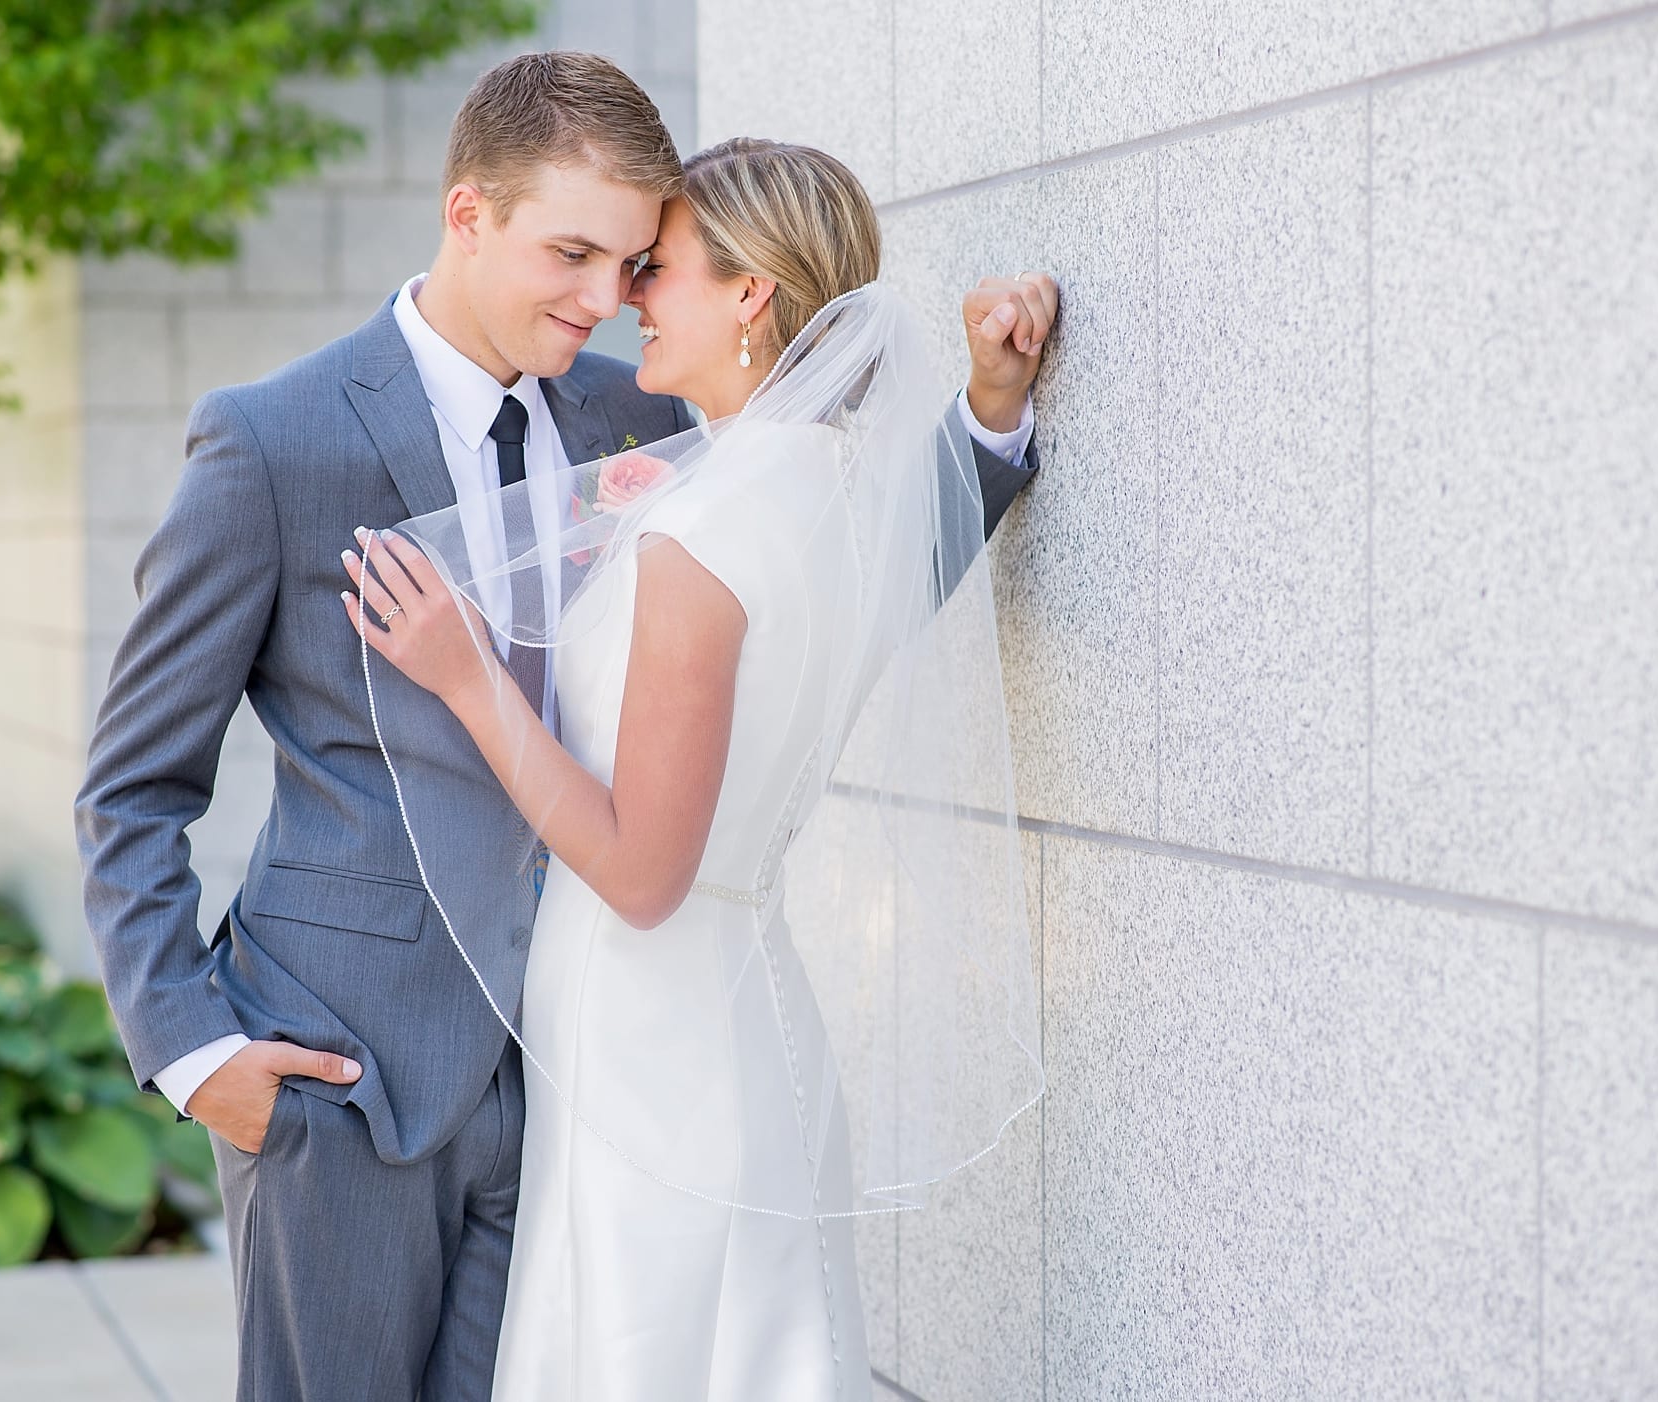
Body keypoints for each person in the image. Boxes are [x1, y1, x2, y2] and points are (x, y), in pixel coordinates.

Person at [77, 50, 1052, 1401]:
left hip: (584, 1085)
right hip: (343, 1076)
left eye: (635, 261)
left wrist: (987, 428)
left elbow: (830, 560)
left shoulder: (640, 404)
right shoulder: (270, 443)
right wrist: (197, 1054)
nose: (603, 301)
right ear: (469, 212)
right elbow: (132, 785)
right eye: (573, 253)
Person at [343, 136, 1054, 1400]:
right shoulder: (838, 493)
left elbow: (641, 871)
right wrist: (993, 410)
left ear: (749, 296)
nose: (624, 298)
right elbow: (935, 529)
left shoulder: (702, 528)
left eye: (657, 269)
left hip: (655, 1040)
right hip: (728, 1011)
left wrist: (465, 676)